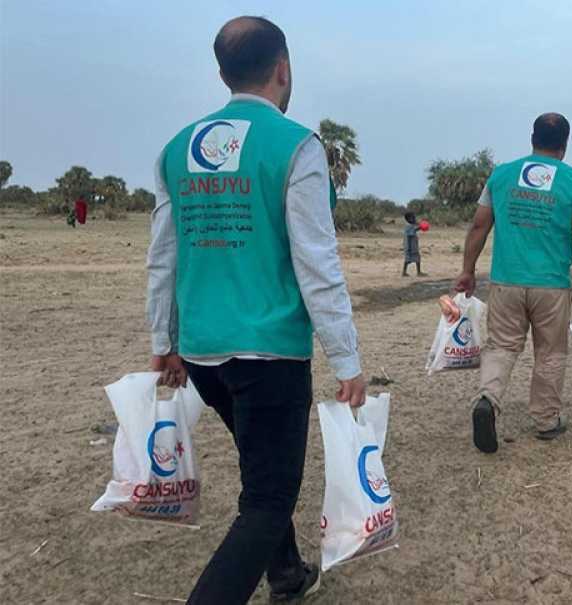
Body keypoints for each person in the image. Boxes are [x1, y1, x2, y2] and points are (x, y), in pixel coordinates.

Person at [146, 16, 366, 604]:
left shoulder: (176, 149)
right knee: (267, 501)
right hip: (269, 354)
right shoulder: (296, 146)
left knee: (260, 466)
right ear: (283, 68)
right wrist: (347, 361)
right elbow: (316, 263)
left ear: (222, 74)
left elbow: (162, 256)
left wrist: (162, 340)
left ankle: (288, 575)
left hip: (202, 354)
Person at [454, 113, 572, 453]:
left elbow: (479, 226)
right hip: (551, 285)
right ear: (564, 145)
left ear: (531, 138)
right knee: (550, 353)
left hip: (506, 280)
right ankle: (546, 420)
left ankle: (488, 400)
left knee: (502, 346)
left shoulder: (501, 175)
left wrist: (467, 269)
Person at [402, 211, 427, 276]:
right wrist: (420, 226)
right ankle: (418, 272)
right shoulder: (409, 226)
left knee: (410, 259)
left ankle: (404, 272)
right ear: (409, 219)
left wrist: (419, 226)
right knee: (412, 259)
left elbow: (414, 229)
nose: (415, 219)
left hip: (411, 246)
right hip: (410, 247)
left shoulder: (409, 226)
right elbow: (413, 230)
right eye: (413, 218)